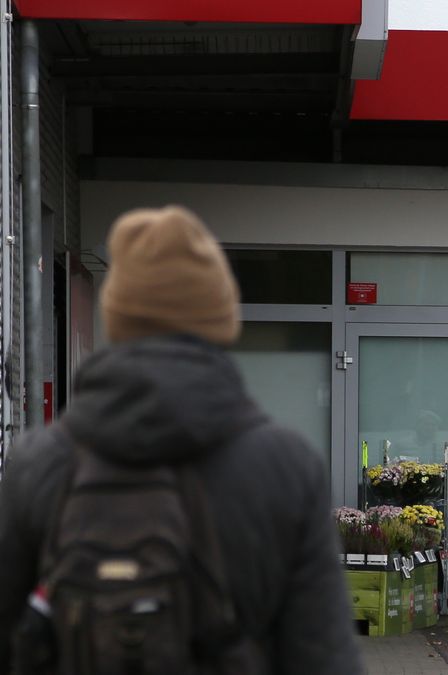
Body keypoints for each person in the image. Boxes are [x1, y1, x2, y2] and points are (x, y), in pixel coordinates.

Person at [0, 206, 364, 674]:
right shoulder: (286, 467)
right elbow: (324, 657)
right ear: (219, 317)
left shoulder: (39, 463)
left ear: (119, 317)